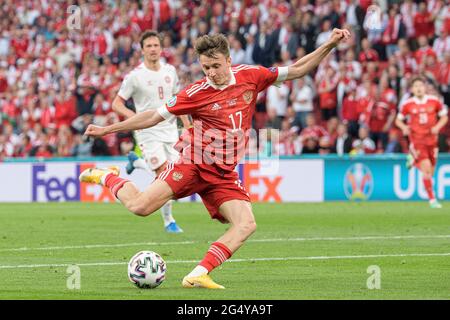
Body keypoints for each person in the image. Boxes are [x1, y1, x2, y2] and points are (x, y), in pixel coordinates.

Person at [80, 29, 351, 289]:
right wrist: (107, 129)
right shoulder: (195, 93)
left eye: (216, 66)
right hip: (193, 165)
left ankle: (198, 274)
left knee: (246, 224)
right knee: (140, 207)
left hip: (223, 174)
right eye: (206, 67)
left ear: (229, 61)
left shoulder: (251, 76)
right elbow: (152, 115)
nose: (211, 73)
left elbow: (298, 69)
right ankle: (107, 175)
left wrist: (329, 44)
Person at [112, 31, 190, 233]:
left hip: (170, 129)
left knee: (174, 174)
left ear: (161, 48)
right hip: (147, 131)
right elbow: (117, 103)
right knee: (164, 173)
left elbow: (177, 100)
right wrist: (134, 119)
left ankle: (136, 162)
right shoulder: (135, 76)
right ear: (142, 50)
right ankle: (169, 221)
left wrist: (187, 125)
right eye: (149, 46)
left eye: (156, 45)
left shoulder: (170, 71)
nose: (153, 49)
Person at [395, 77, 448, 209]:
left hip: (432, 141)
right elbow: (398, 120)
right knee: (427, 170)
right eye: (416, 86)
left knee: (431, 171)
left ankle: (413, 161)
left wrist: (437, 127)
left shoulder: (434, 101)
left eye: (420, 86)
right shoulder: (407, 104)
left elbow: (444, 116)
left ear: (425, 88)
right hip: (418, 141)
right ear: (412, 89)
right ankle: (432, 200)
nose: (418, 88)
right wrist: (404, 128)